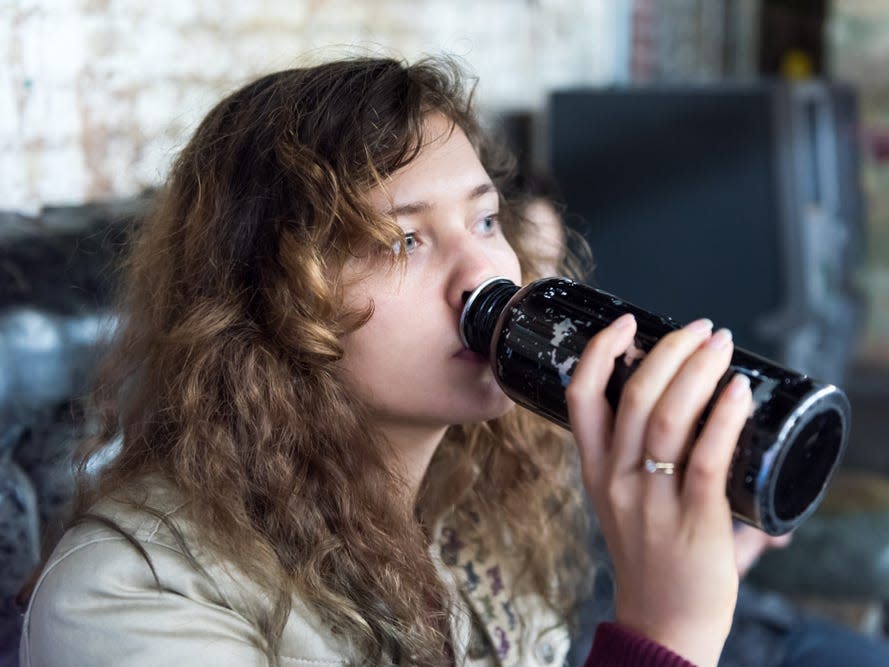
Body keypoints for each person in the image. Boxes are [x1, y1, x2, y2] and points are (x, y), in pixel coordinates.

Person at [19, 56, 755, 667]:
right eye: (402, 239)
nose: (486, 274)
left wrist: (697, 562)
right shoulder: (130, 596)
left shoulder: (467, 512)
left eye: (485, 218)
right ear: (268, 299)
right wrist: (664, 634)